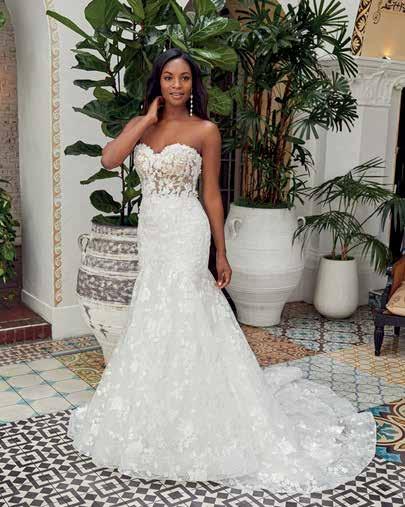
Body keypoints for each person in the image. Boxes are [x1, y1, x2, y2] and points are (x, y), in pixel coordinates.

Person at [68, 48, 376, 495]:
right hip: (152, 234)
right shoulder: (144, 124)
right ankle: (156, 411)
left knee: (186, 311)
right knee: (155, 312)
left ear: (194, 84)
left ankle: (202, 412)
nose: (177, 85)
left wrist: (221, 252)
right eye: (169, 78)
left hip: (186, 232)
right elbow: (109, 159)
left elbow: (211, 195)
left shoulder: (205, 130)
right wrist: (146, 117)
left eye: (184, 78)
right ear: (158, 82)